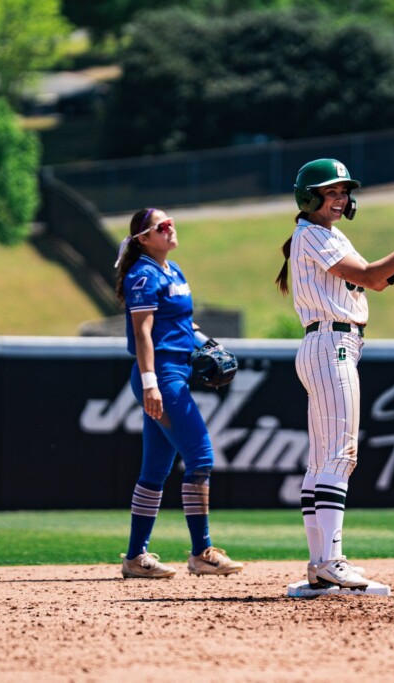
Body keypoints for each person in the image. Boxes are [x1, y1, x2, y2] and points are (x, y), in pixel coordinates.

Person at [274, 158, 394, 589]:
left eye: (343, 191)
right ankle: (332, 561)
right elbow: (372, 277)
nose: (340, 198)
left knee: (322, 460)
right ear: (309, 196)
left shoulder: (324, 235)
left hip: (327, 344)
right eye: (331, 191)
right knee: (340, 455)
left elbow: (376, 280)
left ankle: (320, 565)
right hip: (331, 344)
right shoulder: (313, 233)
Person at [114, 207, 244, 579]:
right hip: (162, 377)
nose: (171, 229)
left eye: (172, 223)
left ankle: (136, 557)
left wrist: (208, 344)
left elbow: (185, 322)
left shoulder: (174, 270)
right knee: (201, 456)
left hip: (178, 372)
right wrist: (151, 383)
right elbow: (143, 333)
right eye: (162, 226)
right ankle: (202, 552)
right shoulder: (142, 275)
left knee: (155, 469)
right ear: (143, 239)